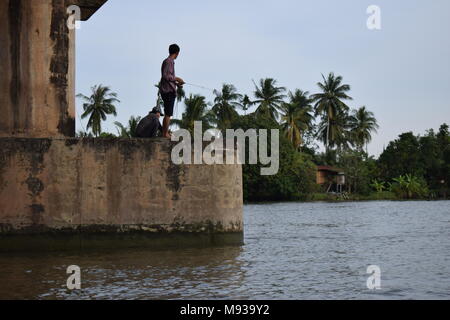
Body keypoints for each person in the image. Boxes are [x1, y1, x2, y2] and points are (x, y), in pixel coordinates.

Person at [159, 44, 185, 138]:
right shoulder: (169, 61)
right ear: (177, 53)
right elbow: (166, 76)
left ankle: (165, 133)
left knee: (168, 113)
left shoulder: (169, 62)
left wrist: (177, 84)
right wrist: (177, 78)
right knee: (168, 113)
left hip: (168, 90)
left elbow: (169, 78)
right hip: (168, 91)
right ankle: (165, 133)